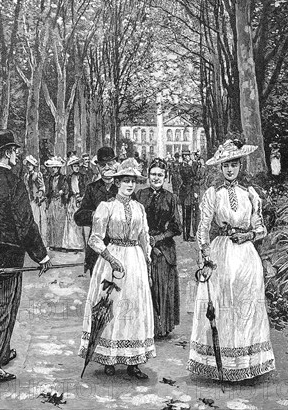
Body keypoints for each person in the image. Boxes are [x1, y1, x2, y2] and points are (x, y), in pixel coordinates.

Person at [188, 139, 275, 382]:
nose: (229, 169)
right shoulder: (212, 194)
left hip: (246, 255)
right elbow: (203, 229)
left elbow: (261, 228)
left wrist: (249, 234)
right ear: (220, 168)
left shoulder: (250, 194)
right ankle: (224, 365)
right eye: (225, 165)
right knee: (224, 305)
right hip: (222, 255)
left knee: (247, 305)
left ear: (240, 166)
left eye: (234, 164)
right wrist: (205, 258)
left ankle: (247, 364)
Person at [78, 158, 155, 379]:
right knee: (113, 308)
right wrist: (110, 258)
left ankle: (133, 361)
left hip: (135, 261)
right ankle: (109, 358)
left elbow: (144, 237)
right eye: (125, 180)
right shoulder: (106, 206)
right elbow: (94, 239)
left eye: (133, 181)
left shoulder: (140, 208)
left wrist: (147, 263)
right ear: (118, 182)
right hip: (113, 259)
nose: (130, 185)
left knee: (135, 308)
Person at [0, 129, 51, 382]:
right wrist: (41, 256)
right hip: (7, 259)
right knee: (3, 310)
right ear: (7, 153)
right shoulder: (12, 182)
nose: (18, 155)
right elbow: (25, 224)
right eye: (15, 151)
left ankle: (2, 352)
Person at [135, 158, 182, 338]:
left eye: (160, 175)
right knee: (144, 285)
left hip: (164, 248)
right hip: (142, 245)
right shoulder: (139, 195)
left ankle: (161, 326)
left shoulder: (171, 198)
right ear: (148, 176)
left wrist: (159, 238)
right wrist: (146, 240)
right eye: (153, 174)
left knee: (161, 285)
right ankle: (145, 325)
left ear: (165, 177)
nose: (156, 178)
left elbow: (176, 227)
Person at [74, 147, 119, 274]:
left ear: (115, 165)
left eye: (110, 164)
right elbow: (79, 217)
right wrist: (95, 214)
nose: (107, 168)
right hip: (97, 250)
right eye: (103, 165)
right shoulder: (92, 188)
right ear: (98, 167)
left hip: (118, 248)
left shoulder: (124, 187)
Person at [62, 155, 88, 251]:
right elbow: (67, 189)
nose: (76, 168)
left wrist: (82, 197)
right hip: (72, 200)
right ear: (71, 168)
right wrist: (67, 195)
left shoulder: (83, 177)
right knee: (70, 220)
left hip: (80, 199)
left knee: (79, 220)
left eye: (77, 166)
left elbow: (85, 189)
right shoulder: (69, 177)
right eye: (74, 166)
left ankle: (80, 245)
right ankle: (71, 245)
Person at [23, 155, 48, 246]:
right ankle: (32, 242)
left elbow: (42, 187)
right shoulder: (26, 176)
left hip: (37, 201)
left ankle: (41, 242)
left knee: (38, 221)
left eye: (31, 164)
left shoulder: (37, 175)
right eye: (28, 164)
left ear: (34, 166)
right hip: (29, 200)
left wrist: (39, 195)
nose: (29, 166)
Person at [44, 156, 66, 250]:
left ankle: (59, 244)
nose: (54, 169)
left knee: (59, 222)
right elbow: (48, 190)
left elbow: (65, 188)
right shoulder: (50, 178)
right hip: (52, 201)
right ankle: (52, 244)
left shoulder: (63, 178)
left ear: (59, 168)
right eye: (53, 167)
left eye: (56, 167)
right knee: (51, 222)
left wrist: (62, 191)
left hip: (60, 201)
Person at [178, 149, 200, 241]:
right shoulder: (182, 166)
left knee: (190, 213)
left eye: (187, 155)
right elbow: (183, 177)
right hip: (185, 192)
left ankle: (188, 235)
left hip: (190, 192)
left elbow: (196, 177)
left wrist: (195, 191)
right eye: (184, 156)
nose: (186, 157)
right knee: (185, 214)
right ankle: (186, 236)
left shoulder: (194, 164)